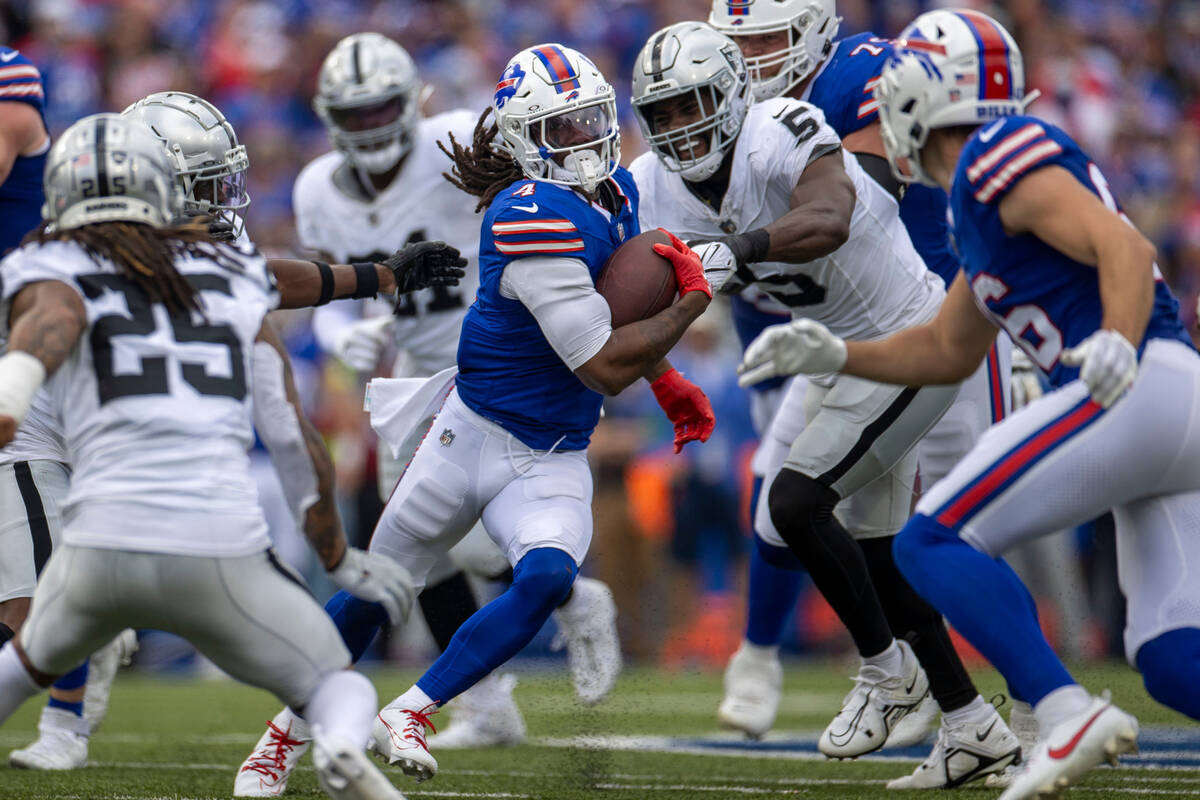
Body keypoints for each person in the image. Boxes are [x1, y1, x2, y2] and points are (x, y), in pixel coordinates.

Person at [739, 9, 1200, 798]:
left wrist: (1118, 341)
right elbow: (946, 347)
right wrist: (835, 353)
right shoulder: (976, 197)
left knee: (929, 541)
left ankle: (1060, 714)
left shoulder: (996, 154)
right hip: (1162, 404)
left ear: (924, 97)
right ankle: (1058, 710)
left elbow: (1125, 246)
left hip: (1135, 382)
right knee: (1169, 656)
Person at [630, 21, 1018, 784]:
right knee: (878, 549)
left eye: (694, 104)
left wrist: (737, 250)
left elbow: (829, 215)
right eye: (665, 113)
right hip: (839, 355)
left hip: (913, 337)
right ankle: (971, 722)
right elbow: (619, 273)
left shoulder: (782, 126)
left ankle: (885, 670)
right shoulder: (649, 185)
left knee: (794, 502)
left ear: (733, 93)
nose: (682, 126)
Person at [0, 113, 417, 800]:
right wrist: (339, 557)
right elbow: (287, 428)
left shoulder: (47, 261)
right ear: (159, 185)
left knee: (23, 655)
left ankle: (67, 710)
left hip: (100, 537)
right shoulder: (227, 273)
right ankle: (340, 743)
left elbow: (47, 330)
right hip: (212, 540)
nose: (219, 199)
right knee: (335, 681)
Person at [327, 42, 711, 785]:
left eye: (591, 121)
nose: (585, 139)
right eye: (563, 128)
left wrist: (664, 378)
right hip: (457, 387)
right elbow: (599, 354)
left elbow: (601, 314)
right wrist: (693, 302)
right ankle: (320, 723)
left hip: (545, 409)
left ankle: (472, 694)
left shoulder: (609, 195)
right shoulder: (526, 209)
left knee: (497, 559)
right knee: (411, 568)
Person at [0, 44, 138, 771]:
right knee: (20, 592)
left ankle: (64, 727)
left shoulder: (8, 77)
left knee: (35, 590)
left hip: (25, 346)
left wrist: (361, 278)